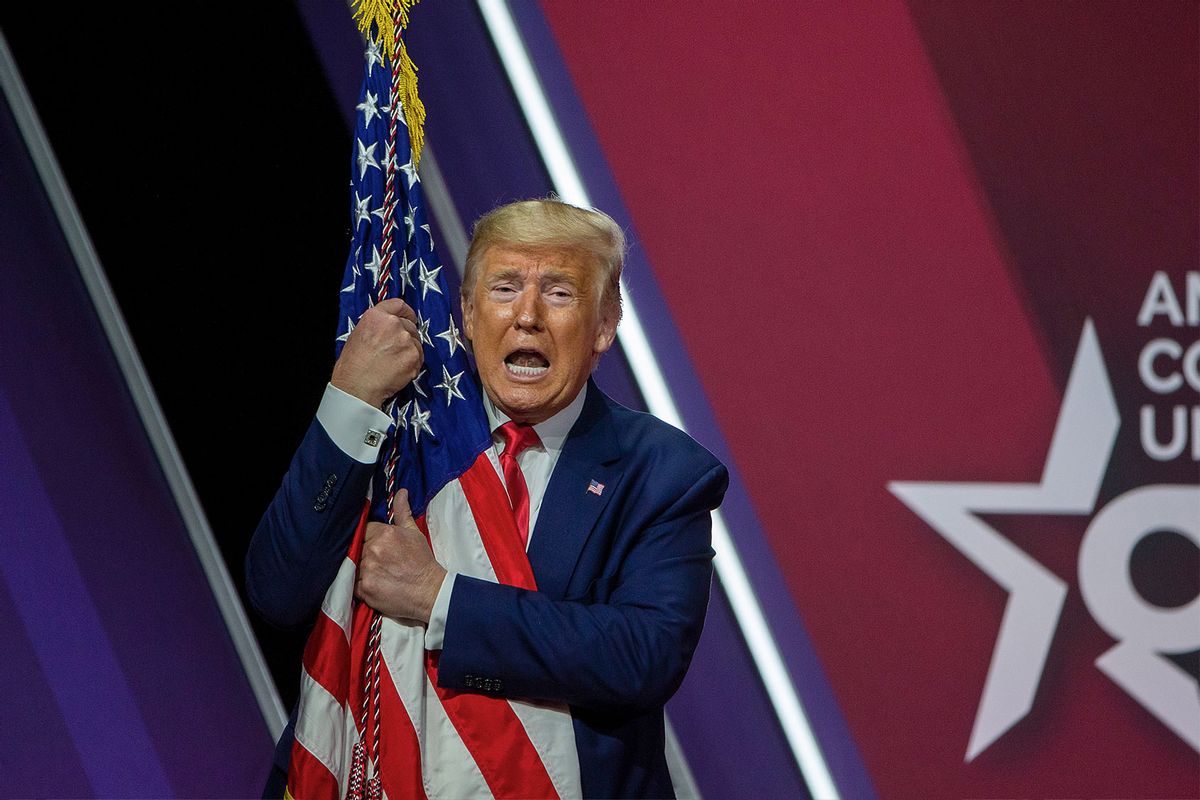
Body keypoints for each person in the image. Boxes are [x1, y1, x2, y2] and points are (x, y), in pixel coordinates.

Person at [247, 199, 728, 798]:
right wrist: (348, 397)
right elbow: (277, 592)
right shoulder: (397, 436)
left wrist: (439, 597)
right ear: (469, 316)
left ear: (606, 323)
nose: (526, 316)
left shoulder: (663, 473)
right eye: (504, 289)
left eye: (559, 293)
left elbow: (642, 655)